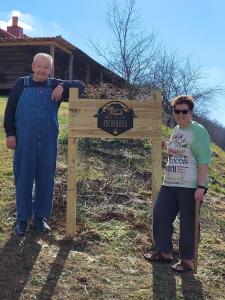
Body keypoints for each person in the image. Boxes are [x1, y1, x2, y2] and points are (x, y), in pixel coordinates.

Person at [4, 52, 85, 236]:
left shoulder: (55, 84)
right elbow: (9, 111)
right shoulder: (20, 84)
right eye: (38, 66)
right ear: (32, 67)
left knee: (46, 178)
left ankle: (41, 218)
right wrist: (10, 134)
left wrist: (63, 85)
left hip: (48, 140)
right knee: (23, 177)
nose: (42, 70)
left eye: (46, 67)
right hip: (24, 140)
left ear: (51, 70)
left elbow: (81, 86)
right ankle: (22, 219)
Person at [144, 95, 211, 273]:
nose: (180, 114)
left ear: (191, 112)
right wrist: (164, 144)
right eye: (177, 111)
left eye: (184, 111)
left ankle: (187, 260)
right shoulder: (176, 129)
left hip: (190, 186)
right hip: (170, 183)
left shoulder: (198, 131)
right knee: (160, 215)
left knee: (188, 223)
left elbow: (204, 160)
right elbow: (177, 151)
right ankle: (164, 252)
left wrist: (202, 187)